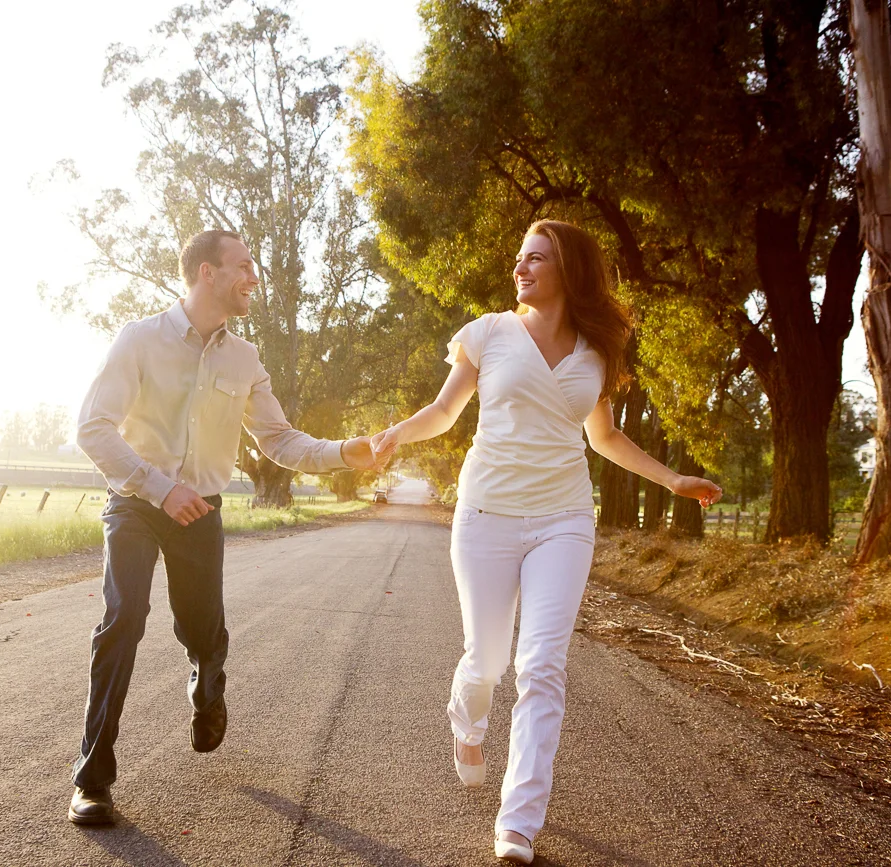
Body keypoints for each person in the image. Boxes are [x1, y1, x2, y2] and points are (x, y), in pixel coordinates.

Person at [370, 220, 721, 863]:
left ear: (569, 271)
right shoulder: (489, 334)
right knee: (486, 660)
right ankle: (467, 723)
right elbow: (445, 412)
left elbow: (605, 438)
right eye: (519, 258)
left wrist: (672, 479)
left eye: (535, 259)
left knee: (542, 666)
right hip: (485, 516)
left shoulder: (596, 351)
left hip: (563, 518)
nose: (520, 269)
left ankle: (519, 821)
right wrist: (396, 433)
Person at [69, 229, 381, 825]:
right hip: (137, 502)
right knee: (123, 620)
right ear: (205, 273)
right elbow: (94, 429)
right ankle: (92, 778)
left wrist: (348, 452)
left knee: (202, 632)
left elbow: (279, 439)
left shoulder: (245, 359)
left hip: (200, 512)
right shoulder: (139, 339)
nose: (253, 278)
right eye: (243, 266)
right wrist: (161, 487)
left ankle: (207, 684)